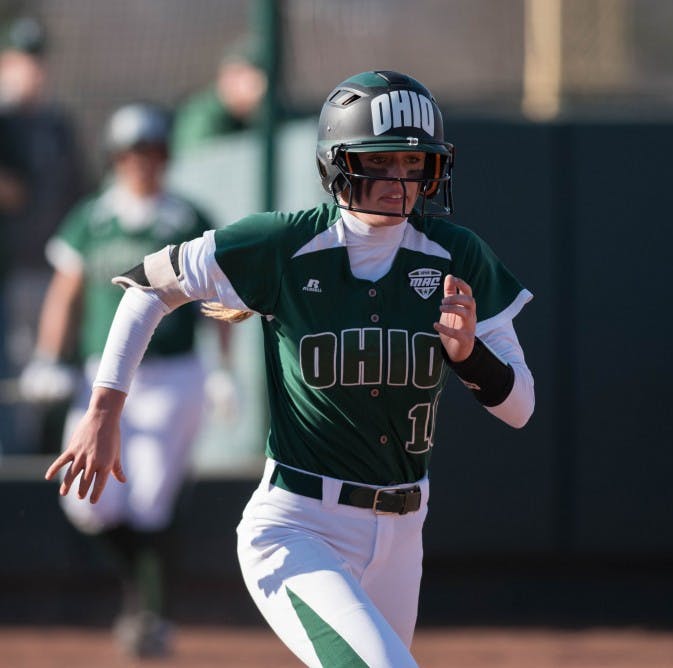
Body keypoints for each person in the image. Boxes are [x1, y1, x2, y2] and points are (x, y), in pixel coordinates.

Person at [45, 70, 535, 667]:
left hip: (405, 528)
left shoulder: (458, 253)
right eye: (379, 162)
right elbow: (147, 289)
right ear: (338, 163)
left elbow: (520, 408)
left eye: (413, 161)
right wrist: (104, 409)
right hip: (300, 524)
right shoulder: (283, 243)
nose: (398, 180)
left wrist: (469, 355)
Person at [24, 102, 222, 657]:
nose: (143, 164)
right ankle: (142, 593)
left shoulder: (186, 216)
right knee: (86, 502)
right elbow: (66, 291)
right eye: (133, 154)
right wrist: (46, 355)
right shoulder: (91, 218)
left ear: (166, 158)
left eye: (153, 152)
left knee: (151, 496)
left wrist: (224, 371)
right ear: (116, 159)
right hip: (103, 376)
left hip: (172, 373)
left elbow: (217, 298)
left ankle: (151, 615)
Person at [0, 15, 84, 453]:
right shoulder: (5, 119)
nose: (32, 70)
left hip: (54, 268)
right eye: (21, 59)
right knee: (17, 373)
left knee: (50, 371)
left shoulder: (56, 125)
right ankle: (14, 463)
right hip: (13, 270)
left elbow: (79, 190)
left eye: (37, 60)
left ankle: (42, 458)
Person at [171, 38, 268, 155]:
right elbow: (200, 164)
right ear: (232, 76)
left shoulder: (254, 117)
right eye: (255, 79)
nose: (263, 88)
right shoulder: (204, 118)